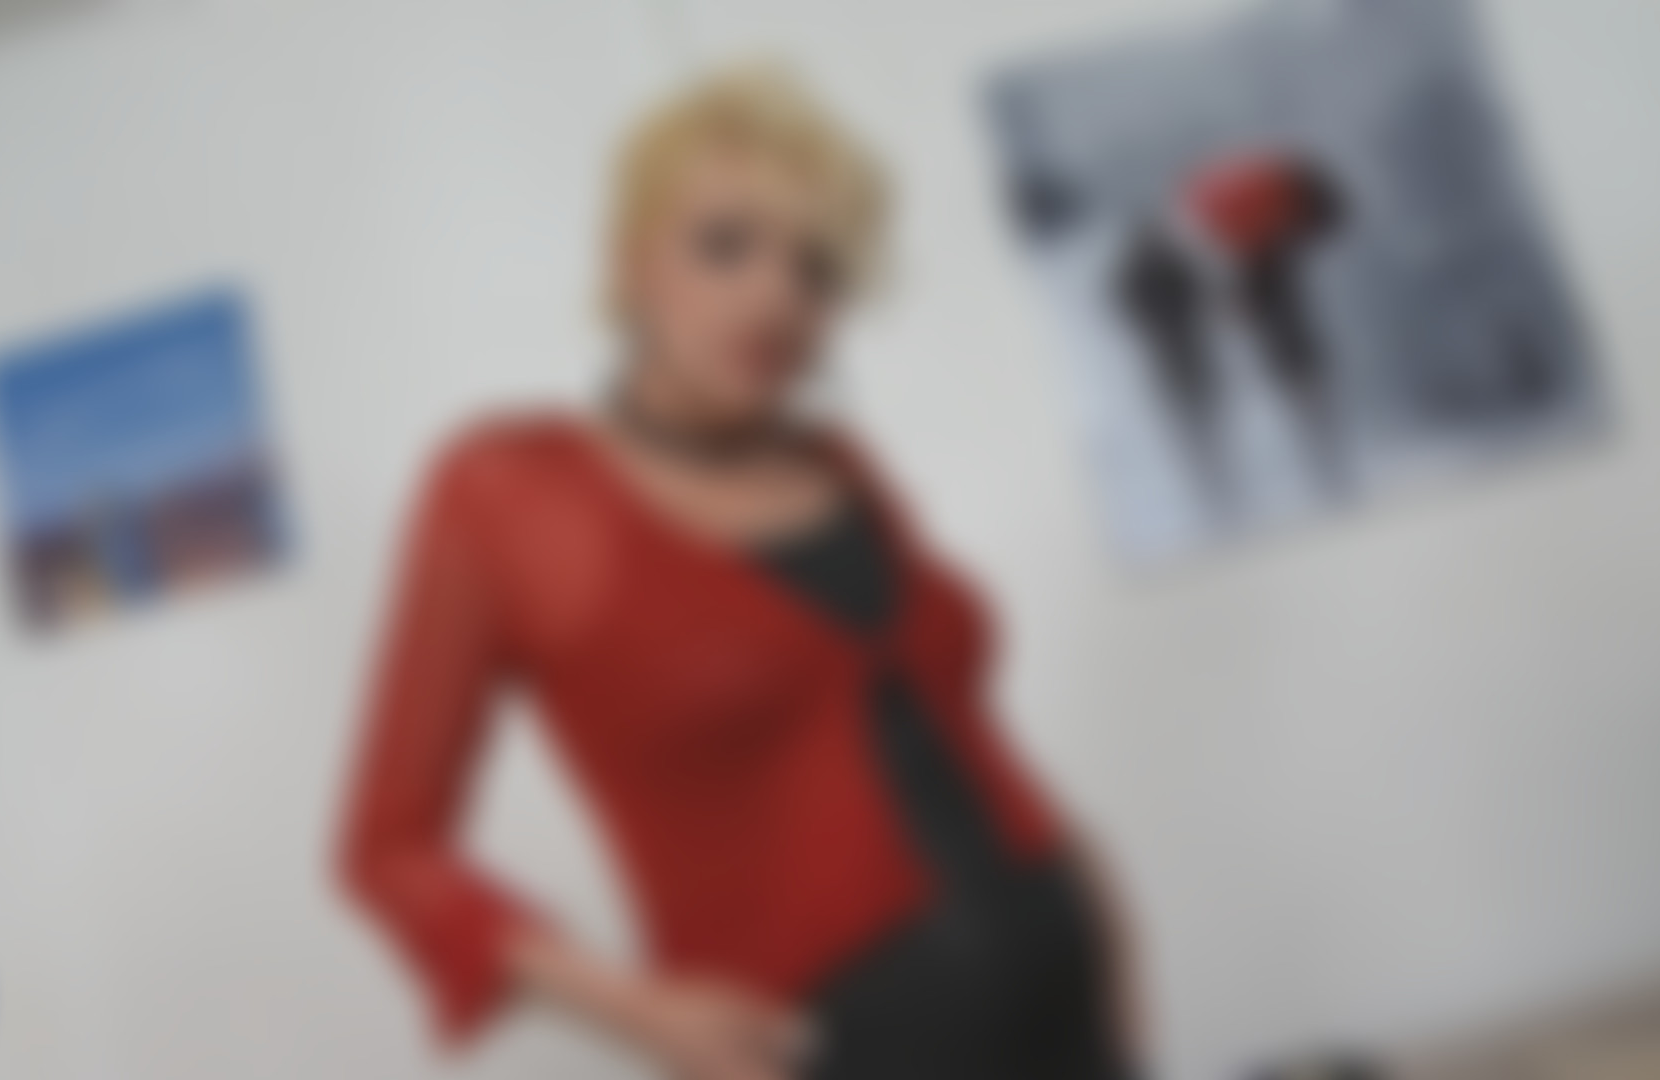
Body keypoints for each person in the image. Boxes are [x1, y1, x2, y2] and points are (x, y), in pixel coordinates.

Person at [336, 62, 1147, 1080]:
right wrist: (634, 1011)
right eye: (725, 245)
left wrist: (1106, 918)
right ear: (633, 262)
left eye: (818, 268)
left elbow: (952, 736)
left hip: (1075, 1014)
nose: (776, 295)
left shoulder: (845, 468)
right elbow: (388, 847)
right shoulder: (510, 492)